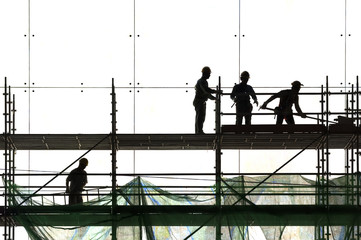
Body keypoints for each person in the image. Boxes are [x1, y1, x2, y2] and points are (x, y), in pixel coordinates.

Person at [193, 66, 219, 134]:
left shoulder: (203, 81)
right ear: (205, 73)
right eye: (209, 74)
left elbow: (207, 91)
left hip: (201, 101)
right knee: (200, 117)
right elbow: (206, 91)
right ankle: (199, 131)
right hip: (199, 101)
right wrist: (215, 95)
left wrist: (214, 94)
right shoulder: (201, 81)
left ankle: (198, 131)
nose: (209, 75)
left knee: (201, 116)